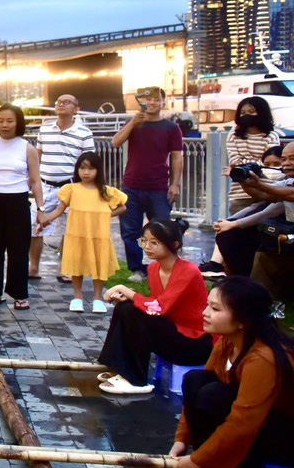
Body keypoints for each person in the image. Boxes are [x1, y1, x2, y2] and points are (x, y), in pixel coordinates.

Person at [171, 277, 293, 468]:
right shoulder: (228, 341)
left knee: (215, 395)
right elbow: (196, 389)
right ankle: (218, 467)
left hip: (283, 436)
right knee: (197, 381)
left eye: (215, 309)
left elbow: (243, 423)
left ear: (243, 321)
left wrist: (197, 460)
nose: (205, 312)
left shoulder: (263, 358)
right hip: (259, 427)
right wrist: (182, 439)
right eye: (208, 305)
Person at [97, 220, 210, 394]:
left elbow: (159, 308)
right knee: (125, 308)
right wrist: (127, 297)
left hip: (193, 342)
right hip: (172, 330)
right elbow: (156, 304)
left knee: (133, 310)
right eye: (144, 240)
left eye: (154, 242)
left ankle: (135, 380)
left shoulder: (189, 271)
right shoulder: (154, 268)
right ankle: (118, 367)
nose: (147, 246)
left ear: (174, 245)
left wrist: (124, 290)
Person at [199, 97, 281, 277]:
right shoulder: (234, 135)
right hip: (239, 191)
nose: (246, 116)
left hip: (269, 187)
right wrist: (251, 167)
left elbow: (270, 163)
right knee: (232, 229)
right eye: (243, 112)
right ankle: (224, 268)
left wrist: (248, 167)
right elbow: (235, 162)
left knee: (258, 233)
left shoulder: (272, 135)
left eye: (251, 112)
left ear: (261, 112)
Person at [0, 105, 44, 309]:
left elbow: (36, 181)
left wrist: (41, 208)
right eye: (1, 120)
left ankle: (20, 294)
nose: (4, 125)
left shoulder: (27, 148)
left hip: (18, 201)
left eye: (9, 120)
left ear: (18, 122)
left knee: (19, 250)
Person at [38, 152, 128, 313]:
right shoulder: (71, 189)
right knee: (76, 265)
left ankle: (97, 298)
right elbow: (59, 209)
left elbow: (122, 207)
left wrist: (105, 214)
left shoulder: (106, 191)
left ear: (98, 170)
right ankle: (77, 296)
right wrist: (46, 220)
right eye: (82, 168)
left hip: (98, 235)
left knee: (99, 265)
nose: (86, 172)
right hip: (76, 234)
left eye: (91, 168)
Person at [111, 87, 184, 281]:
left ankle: (164, 268)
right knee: (129, 231)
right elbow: (115, 142)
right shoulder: (135, 123)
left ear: (163, 103)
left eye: (155, 100)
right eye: (147, 100)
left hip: (159, 187)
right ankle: (137, 269)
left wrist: (175, 184)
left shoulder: (171, 128)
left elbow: (177, 157)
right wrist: (132, 123)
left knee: (162, 229)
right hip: (131, 186)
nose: (151, 103)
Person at [31, 95, 94, 281]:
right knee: (36, 226)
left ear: (76, 109)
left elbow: (89, 163)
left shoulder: (84, 133)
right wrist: (33, 179)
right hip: (45, 185)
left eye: (67, 102)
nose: (61, 104)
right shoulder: (44, 129)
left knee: (71, 230)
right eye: (58, 102)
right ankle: (33, 267)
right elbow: (37, 156)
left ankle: (65, 268)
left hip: (72, 185)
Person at [213, 142, 294, 278]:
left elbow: (288, 194)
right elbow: (265, 195)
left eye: (292, 158)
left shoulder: (287, 186)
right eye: (284, 159)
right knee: (260, 254)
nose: (286, 163)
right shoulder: (287, 182)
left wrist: (258, 183)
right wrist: (243, 181)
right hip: (289, 236)